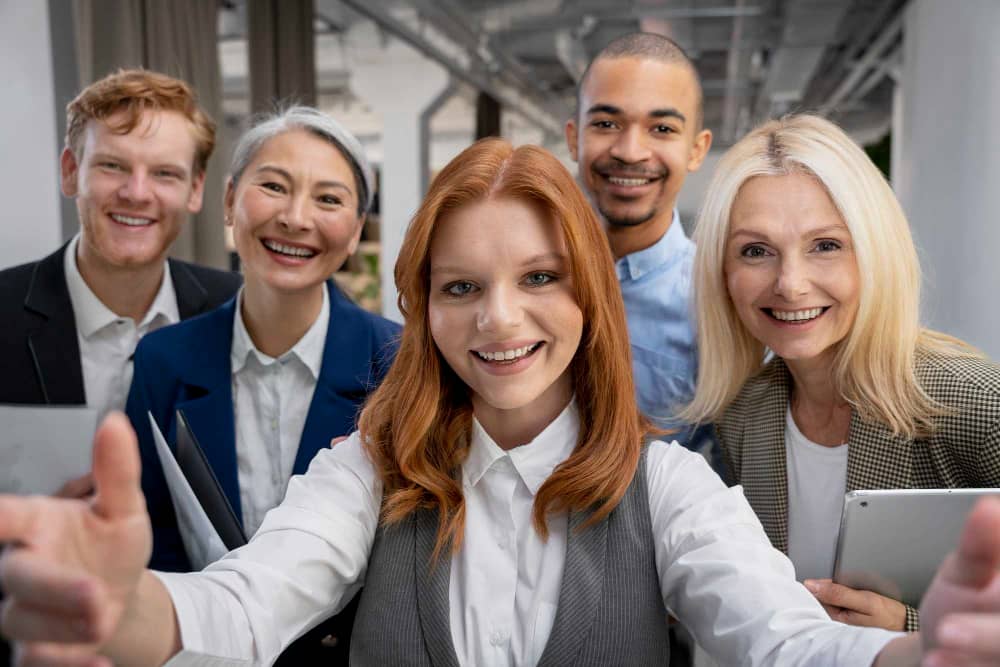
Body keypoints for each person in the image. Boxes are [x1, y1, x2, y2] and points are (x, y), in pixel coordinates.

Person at [1, 138, 1000, 667]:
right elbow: (244, 603)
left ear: (590, 297)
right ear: (422, 307)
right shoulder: (367, 470)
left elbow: (784, 639)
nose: (499, 320)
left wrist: (914, 654)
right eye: (460, 287)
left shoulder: (672, 486)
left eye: (539, 278)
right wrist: (119, 603)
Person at [681, 113, 1000, 634]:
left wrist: (914, 629)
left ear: (874, 252)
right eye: (755, 251)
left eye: (825, 245)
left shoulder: (974, 402)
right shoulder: (743, 416)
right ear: (723, 273)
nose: (791, 284)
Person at [124, 106, 400, 662]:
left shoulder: (398, 364)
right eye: (273, 186)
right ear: (229, 202)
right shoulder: (163, 358)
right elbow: (149, 531)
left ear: (354, 233)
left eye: (328, 199)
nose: (296, 218)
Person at [0, 69, 241, 420]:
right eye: (112, 166)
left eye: (164, 173)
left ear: (195, 189)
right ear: (70, 171)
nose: (136, 193)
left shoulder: (240, 311)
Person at [564, 32, 713, 454]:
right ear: (575, 138)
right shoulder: (520, 279)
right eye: (606, 124)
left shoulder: (718, 302)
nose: (630, 151)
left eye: (662, 128)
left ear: (696, 149)